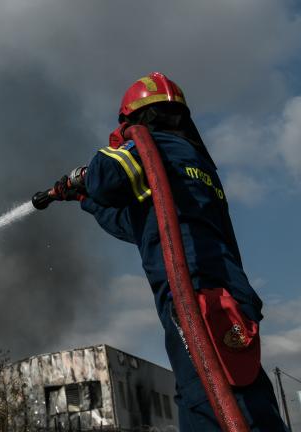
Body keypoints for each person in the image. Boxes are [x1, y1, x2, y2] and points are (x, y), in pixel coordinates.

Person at [34, 72, 289, 431]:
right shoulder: (184, 169)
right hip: (202, 298)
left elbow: (107, 175)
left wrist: (82, 176)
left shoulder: (161, 145)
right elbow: (136, 225)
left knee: (224, 405)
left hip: (203, 298)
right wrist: (83, 199)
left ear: (135, 120)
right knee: (203, 400)